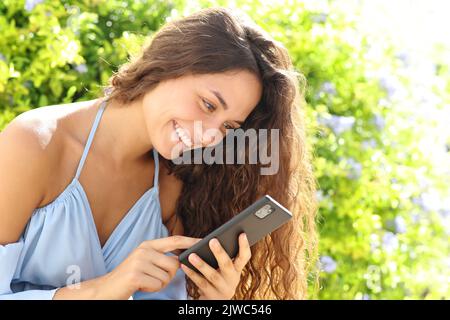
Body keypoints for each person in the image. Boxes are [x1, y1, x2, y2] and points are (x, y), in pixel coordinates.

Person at [0, 7, 317, 300]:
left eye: (229, 126)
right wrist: (103, 290)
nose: (209, 134)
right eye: (208, 104)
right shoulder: (35, 145)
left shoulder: (171, 185)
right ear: (170, 63)